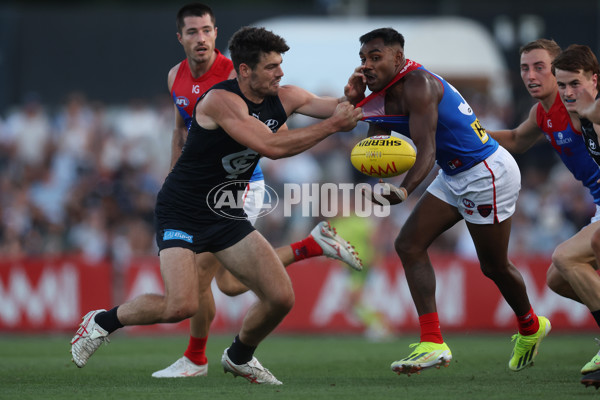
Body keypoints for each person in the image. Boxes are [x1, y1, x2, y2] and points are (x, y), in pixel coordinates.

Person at [70, 25, 363, 385]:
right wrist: (335, 126)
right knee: (181, 305)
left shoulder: (286, 96)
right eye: (271, 67)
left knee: (281, 297)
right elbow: (272, 147)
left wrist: (354, 95)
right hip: (182, 210)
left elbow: (339, 108)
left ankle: (239, 356)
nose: (280, 73)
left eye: (280, 64)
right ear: (244, 71)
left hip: (225, 213)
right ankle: (101, 322)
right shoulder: (220, 101)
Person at [151, 3, 362, 379]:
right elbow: (181, 131)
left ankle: (196, 358)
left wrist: (344, 110)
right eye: (192, 32)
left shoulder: (234, 76)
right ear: (179, 38)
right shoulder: (175, 77)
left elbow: (274, 135)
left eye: (207, 30)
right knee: (230, 284)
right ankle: (309, 247)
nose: (201, 39)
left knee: (201, 275)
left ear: (217, 33)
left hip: (240, 187)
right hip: (199, 192)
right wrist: (172, 179)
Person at [343, 27, 550, 376]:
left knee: (493, 267)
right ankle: (432, 342)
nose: (367, 65)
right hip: (455, 174)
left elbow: (428, 148)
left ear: (398, 57)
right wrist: (356, 102)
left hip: (486, 173)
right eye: (363, 58)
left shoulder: (418, 85)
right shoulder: (380, 91)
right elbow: (375, 145)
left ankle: (530, 325)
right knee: (408, 244)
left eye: (375, 58)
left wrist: (405, 191)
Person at [486, 40, 600, 380]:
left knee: (566, 258)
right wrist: (466, 132)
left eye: (541, 68)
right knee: (558, 278)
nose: (532, 75)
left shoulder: (583, 108)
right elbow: (518, 140)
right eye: (525, 68)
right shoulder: (544, 113)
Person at [549, 44, 600, 388]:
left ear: (595, 79)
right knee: (557, 277)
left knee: (566, 255)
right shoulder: (585, 115)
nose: (568, 92)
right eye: (562, 85)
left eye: (575, 84)